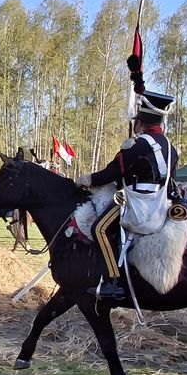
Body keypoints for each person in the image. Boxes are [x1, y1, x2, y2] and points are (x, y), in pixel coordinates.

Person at [71, 45, 178, 301]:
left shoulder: (137, 145)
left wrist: (85, 180)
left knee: (98, 228)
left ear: (140, 120)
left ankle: (112, 281)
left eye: (136, 120)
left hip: (139, 204)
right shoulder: (171, 147)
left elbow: (112, 173)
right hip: (161, 203)